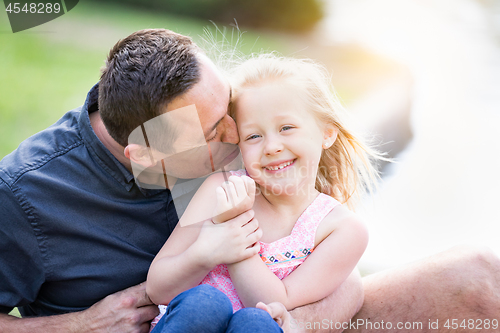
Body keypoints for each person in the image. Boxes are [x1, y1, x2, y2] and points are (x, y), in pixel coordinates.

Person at [0, 28, 499, 333]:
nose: (241, 138)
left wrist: (308, 320)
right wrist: (78, 327)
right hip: (178, 320)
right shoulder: (24, 196)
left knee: (480, 278)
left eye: (230, 109)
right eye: (218, 130)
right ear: (146, 155)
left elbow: (333, 255)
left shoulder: (209, 120)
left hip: (274, 316)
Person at [146, 54, 376, 332]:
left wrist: (233, 231)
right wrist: (205, 252)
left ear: (327, 133)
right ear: (238, 144)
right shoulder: (221, 189)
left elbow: (272, 301)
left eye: (286, 128)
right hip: (192, 323)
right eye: (254, 136)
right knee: (205, 303)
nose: (272, 146)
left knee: (256, 322)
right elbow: (158, 288)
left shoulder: (341, 229)